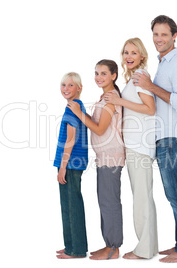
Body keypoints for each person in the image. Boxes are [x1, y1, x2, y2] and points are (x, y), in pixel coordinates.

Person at [132, 15, 177, 263]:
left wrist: (150, 86)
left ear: (174, 36)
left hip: (172, 138)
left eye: (164, 35)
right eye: (156, 34)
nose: (159, 39)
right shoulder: (163, 64)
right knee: (173, 194)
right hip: (163, 138)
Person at [104, 37, 158, 259]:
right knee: (143, 197)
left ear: (142, 56)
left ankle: (144, 250)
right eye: (126, 52)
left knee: (142, 199)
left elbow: (150, 109)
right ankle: (149, 247)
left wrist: (120, 102)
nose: (129, 56)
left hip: (140, 147)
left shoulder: (140, 76)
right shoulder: (133, 79)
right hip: (135, 146)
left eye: (134, 53)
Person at [68, 59, 125, 260]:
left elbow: (100, 128)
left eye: (103, 73)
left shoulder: (112, 97)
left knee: (110, 202)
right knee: (104, 200)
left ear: (114, 76)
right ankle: (109, 244)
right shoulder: (105, 97)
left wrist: (79, 114)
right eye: (96, 73)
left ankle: (114, 248)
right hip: (103, 157)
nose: (98, 77)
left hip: (111, 157)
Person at [54, 72, 89, 259]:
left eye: (70, 85)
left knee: (72, 205)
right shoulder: (76, 106)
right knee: (67, 205)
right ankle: (71, 245)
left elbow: (71, 138)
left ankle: (77, 249)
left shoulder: (73, 108)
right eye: (63, 85)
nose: (66, 89)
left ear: (79, 88)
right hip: (72, 162)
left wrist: (62, 166)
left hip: (70, 163)